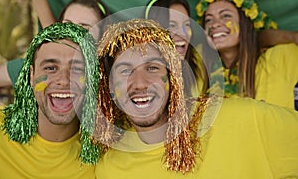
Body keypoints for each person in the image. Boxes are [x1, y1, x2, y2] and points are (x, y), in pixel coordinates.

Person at [91, 18, 298, 178]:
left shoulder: (244, 119)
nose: (140, 83)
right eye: (125, 70)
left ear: (174, 78)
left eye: (152, 68)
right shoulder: (109, 167)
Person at [0, 22, 100, 178]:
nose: (64, 81)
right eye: (51, 68)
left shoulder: (106, 152)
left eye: (77, 69)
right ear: (31, 76)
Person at [196, 0, 298, 109]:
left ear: (244, 24)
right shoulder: (199, 68)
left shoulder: (276, 59)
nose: (214, 24)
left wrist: (292, 37)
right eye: (209, 20)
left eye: (225, 16)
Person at [0, 0, 110, 88]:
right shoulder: (43, 69)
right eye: (67, 25)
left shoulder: (115, 78)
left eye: (84, 29)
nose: (72, 34)